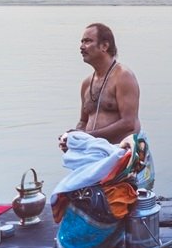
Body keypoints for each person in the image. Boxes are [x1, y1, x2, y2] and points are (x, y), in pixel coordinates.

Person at [58, 22, 154, 190]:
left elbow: (128, 123)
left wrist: (89, 137)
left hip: (124, 158)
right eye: (81, 42)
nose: (81, 47)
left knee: (129, 209)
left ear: (104, 45)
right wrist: (73, 139)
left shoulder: (123, 76)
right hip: (94, 157)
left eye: (87, 41)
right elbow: (83, 121)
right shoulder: (87, 83)